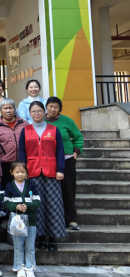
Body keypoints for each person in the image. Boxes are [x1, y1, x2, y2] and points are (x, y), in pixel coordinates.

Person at [18, 101, 66, 252]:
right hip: (32, 173)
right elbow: (22, 153)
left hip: (51, 172)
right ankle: (40, 238)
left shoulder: (54, 129)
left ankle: (52, 238)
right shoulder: (25, 131)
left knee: (53, 205)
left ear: (44, 112)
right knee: (36, 206)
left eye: (39, 110)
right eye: (33, 111)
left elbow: (60, 151)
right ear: (29, 113)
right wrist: (23, 171)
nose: (37, 113)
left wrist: (60, 169)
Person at [45, 96, 84, 231]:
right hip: (48, 161)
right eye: (50, 106)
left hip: (67, 160)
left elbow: (78, 137)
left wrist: (76, 152)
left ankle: (71, 219)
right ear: (46, 107)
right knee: (51, 192)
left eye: (56, 107)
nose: (53, 109)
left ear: (59, 109)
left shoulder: (67, 121)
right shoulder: (41, 121)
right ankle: (55, 220)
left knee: (68, 190)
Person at [4, 161, 40, 277]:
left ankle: (30, 268)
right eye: (17, 172)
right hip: (17, 222)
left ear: (27, 173)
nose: (20, 174)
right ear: (12, 172)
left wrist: (27, 207)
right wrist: (16, 207)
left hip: (31, 221)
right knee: (18, 246)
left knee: (30, 246)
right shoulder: (9, 186)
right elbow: (6, 203)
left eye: (23, 172)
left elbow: (37, 202)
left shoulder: (31, 185)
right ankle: (19, 267)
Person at [0, 98, 29, 188]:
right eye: (5, 108)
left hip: (22, 162)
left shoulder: (24, 124)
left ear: (14, 109)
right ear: (0, 110)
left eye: (10, 108)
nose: (8, 111)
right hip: (5, 164)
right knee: (8, 189)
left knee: (23, 189)